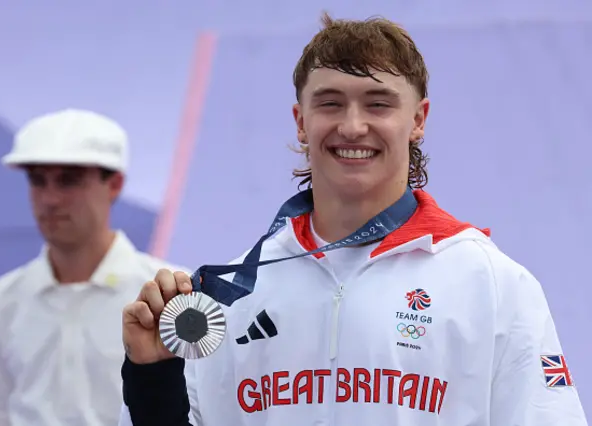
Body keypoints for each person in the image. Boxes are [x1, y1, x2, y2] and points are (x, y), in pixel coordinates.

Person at [118, 13, 588, 426]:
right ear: (301, 121)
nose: (352, 126)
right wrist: (152, 373)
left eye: (378, 103)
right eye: (330, 103)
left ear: (418, 119)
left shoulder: (491, 284)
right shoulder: (229, 295)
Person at [0, 109, 189, 426]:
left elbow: (199, 409)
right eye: (37, 180)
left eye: (68, 180)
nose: (50, 199)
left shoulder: (166, 296)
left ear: (114, 184)